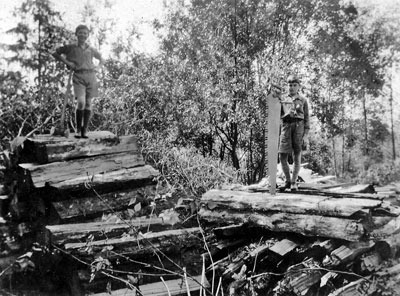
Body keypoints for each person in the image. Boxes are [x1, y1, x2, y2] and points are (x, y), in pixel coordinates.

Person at [52, 24, 103, 138]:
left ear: (88, 35)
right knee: (81, 103)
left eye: (85, 33)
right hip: (78, 76)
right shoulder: (71, 47)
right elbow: (55, 53)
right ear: (76, 34)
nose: (83, 35)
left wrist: (98, 67)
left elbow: (101, 59)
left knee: (89, 104)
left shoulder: (91, 49)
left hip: (91, 76)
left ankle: (84, 130)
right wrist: (68, 63)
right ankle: (78, 129)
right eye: (80, 32)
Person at [278, 75, 310, 191]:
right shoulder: (283, 99)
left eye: (294, 85)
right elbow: (278, 116)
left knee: (297, 154)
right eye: (290, 85)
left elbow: (306, 119)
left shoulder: (303, 100)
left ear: (299, 87)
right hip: (286, 127)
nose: (292, 87)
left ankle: (293, 182)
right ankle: (287, 180)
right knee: (282, 155)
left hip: (299, 127)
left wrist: (305, 135)